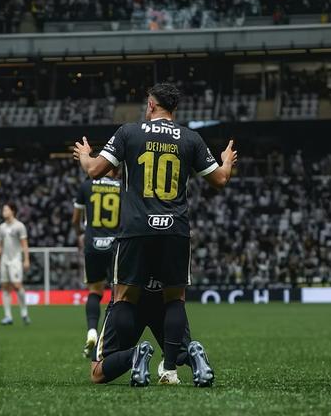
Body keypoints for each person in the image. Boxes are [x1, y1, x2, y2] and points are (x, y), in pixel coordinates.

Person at [73, 82, 237, 387]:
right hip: (175, 229)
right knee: (175, 299)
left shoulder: (129, 132)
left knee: (123, 296)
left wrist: (85, 155)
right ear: (174, 109)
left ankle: (130, 355)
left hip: (136, 229)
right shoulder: (191, 138)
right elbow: (220, 179)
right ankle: (171, 369)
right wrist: (226, 160)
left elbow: (95, 170)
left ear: (150, 105)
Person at [72, 169, 121, 357]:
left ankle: (92, 331)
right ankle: (108, 339)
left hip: (92, 245)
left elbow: (76, 219)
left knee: (95, 291)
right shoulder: (122, 187)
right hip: (115, 245)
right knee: (118, 295)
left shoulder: (86, 186)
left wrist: (79, 234)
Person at [0, 202, 31, 326]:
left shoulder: (19, 226)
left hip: (15, 259)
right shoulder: (1, 227)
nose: (3, 212)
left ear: (12, 211)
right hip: (4, 259)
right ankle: (8, 316)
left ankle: (24, 312)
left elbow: (24, 244)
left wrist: (26, 259)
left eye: (6, 209)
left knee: (17, 285)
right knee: (4, 286)